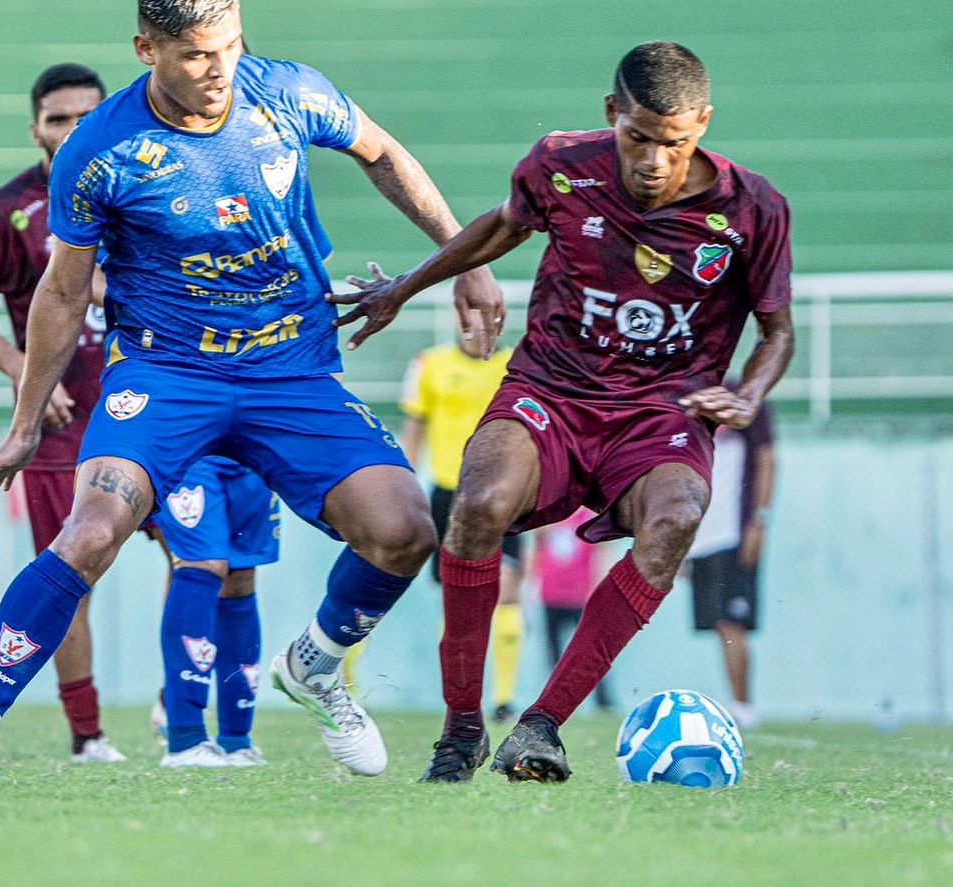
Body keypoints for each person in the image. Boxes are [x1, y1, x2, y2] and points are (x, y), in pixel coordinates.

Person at [0, 0, 502, 788]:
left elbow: (383, 153)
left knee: (404, 530)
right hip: (167, 374)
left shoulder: (288, 91)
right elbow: (65, 288)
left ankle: (316, 664)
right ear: (147, 48)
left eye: (229, 45)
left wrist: (460, 258)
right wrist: (21, 421)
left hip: (292, 368)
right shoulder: (101, 149)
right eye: (194, 53)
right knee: (89, 535)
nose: (218, 68)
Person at [328, 41, 795, 783]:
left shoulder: (753, 210)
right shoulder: (560, 163)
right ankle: (461, 730)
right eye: (638, 136)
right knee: (477, 501)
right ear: (613, 114)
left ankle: (541, 723)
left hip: (658, 412)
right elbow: (503, 225)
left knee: (676, 513)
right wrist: (404, 288)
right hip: (552, 387)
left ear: (703, 124)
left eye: (673, 143)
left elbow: (778, 330)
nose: (651, 161)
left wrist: (746, 393)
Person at [0, 63, 125, 765]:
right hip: (62, 424)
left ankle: (193, 723)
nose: (74, 130)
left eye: (87, 116)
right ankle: (88, 734)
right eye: (58, 118)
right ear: (35, 128)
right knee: (69, 574)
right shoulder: (8, 208)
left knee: (206, 557)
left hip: (166, 405)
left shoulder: (150, 187)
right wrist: (26, 374)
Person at [399, 335, 525, 723]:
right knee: (457, 597)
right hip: (449, 493)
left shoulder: (516, 367)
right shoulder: (429, 363)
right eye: (464, 312)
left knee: (505, 587)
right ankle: (458, 691)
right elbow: (415, 430)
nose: (473, 323)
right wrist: (402, 483)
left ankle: (504, 698)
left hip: (506, 490)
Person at [145, 456, 279, 767]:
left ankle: (236, 740)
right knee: (200, 563)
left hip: (252, 448)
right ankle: (185, 737)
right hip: (192, 441)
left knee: (241, 577)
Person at [686, 379, 775, 730]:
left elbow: (767, 457)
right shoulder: (686, 395)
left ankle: (743, 704)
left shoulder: (743, 395)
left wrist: (759, 520)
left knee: (730, 622)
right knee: (716, 623)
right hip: (700, 537)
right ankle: (733, 702)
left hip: (733, 533)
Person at [532, 512, 613, 712]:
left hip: (580, 597)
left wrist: (599, 588)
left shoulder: (589, 519)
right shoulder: (549, 517)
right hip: (550, 595)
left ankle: (603, 701)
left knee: (590, 651)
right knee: (553, 653)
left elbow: (602, 553)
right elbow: (536, 543)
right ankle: (553, 702)